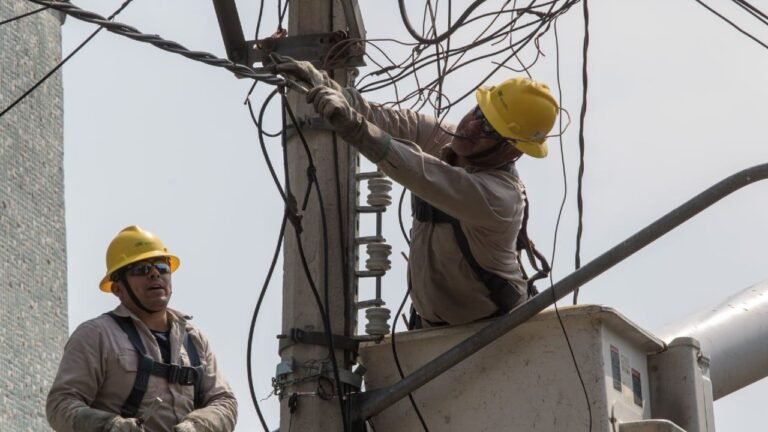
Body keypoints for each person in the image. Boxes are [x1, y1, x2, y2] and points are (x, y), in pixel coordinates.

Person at [273, 57, 558, 328]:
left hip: (497, 334)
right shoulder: (451, 140)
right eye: (479, 113)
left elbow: (419, 170)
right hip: (432, 330)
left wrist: (355, 127)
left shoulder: (500, 198)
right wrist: (325, 85)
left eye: (489, 129)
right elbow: (388, 120)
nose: (471, 126)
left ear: (510, 151)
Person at [47, 226, 237, 432]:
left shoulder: (193, 340)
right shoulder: (97, 335)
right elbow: (60, 405)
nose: (154, 274)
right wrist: (111, 426)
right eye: (141, 269)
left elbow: (224, 402)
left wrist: (195, 426)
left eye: (162, 267)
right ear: (118, 288)